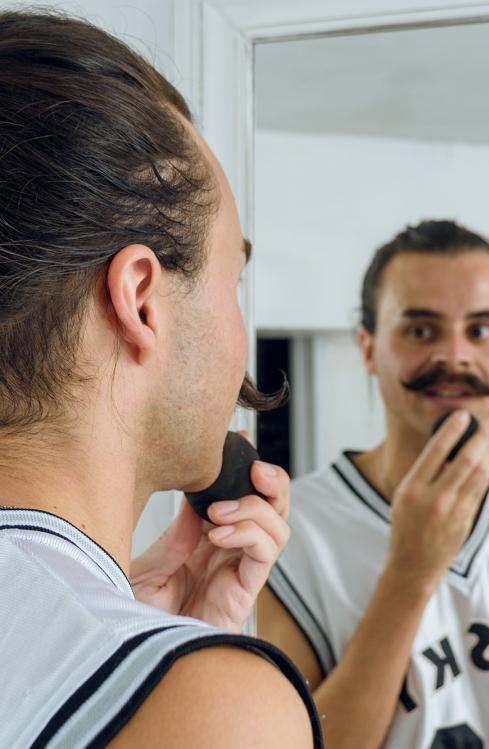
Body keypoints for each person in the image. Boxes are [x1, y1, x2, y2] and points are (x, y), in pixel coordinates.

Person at [0, 10, 322, 749]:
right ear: (140, 298)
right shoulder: (223, 710)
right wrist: (185, 680)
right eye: (230, 279)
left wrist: (161, 646)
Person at [258, 219, 489, 749]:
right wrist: (411, 571)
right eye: (421, 331)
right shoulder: (288, 536)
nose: (455, 356)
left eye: (481, 330)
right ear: (368, 347)